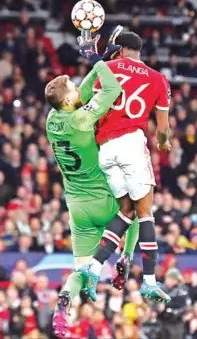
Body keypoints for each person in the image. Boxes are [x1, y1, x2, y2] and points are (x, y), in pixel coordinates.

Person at [45, 35, 139, 338]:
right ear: (70, 100)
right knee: (136, 209)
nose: (77, 88)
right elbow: (112, 89)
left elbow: (83, 91)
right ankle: (126, 255)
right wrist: (98, 60)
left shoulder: (53, 118)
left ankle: (64, 302)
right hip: (101, 198)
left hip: (77, 208)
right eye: (72, 88)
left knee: (81, 272)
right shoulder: (82, 120)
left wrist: (104, 59)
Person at [79, 27, 172, 303]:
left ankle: (94, 266)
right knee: (145, 214)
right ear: (139, 51)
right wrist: (164, 143)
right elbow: (163, 129)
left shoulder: (107, 68)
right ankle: (149, 281)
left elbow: (91, 104)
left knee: (125, 213)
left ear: (119, 50)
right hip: (132, 144)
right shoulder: (158, 79)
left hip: (105, 149)